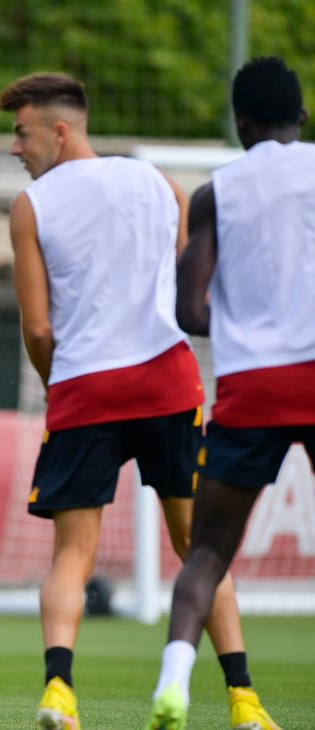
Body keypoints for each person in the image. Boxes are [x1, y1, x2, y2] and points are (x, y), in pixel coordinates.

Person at [0, 72, 276, 730]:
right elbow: (185, 292)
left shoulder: (31, 206)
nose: (16, 148)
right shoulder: (161, 185)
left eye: (22, 133)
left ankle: (59, 692)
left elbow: (38, 329)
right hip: (166, 381)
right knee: (201, 546)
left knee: (73, 554)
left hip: (85, 388)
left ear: (59, 132)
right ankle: (244, 700)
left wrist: (56, 381)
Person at [146, 55, 313, 730]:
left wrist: (247, 328)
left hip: (252, 385)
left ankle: (175, 685)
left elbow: (189, 310)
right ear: (301, 117)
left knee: (208, 552)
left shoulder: (218, 192)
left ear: (240, 123)